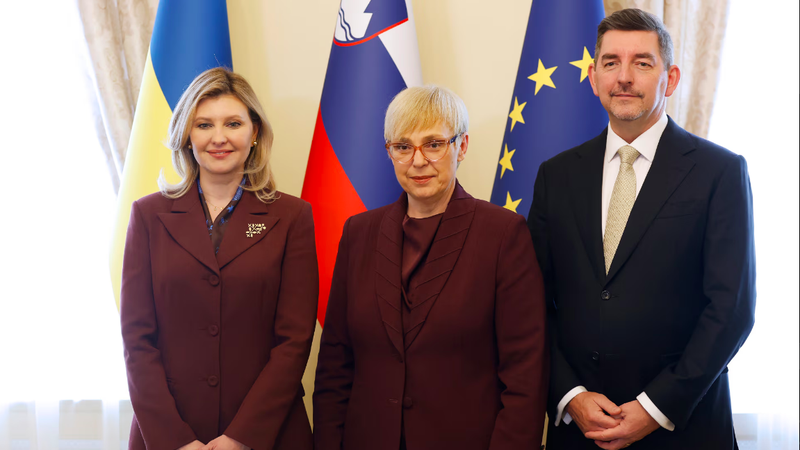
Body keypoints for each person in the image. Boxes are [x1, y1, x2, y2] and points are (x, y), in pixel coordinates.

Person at [527, 8, 755, 450]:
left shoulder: (719, 172)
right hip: (580, 430)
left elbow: (731, 310)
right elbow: (532, 303)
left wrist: (656, 407)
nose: (624, 77)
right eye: (611, 62)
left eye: (642, 62)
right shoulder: (555, 176)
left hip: (682, 428)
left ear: (669, 79)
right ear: (594, 79)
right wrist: (569, 395)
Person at [313, 85, 548, 450]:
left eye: (434, 144)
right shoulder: (359, 233)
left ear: (462, 146)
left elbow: (525, 376)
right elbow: (334, 368)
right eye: (403, 146)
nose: (418, 161)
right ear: (389, 152)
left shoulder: (503, 234)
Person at [120, 67, 318, 450]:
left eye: (233, 123)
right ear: (186, 135)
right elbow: (137, 341)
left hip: (267, 433)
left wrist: (240, 438)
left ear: (254, 132)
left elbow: (294, 341)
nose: (219, 138)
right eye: (204, 125)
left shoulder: (293, 217)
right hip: (169, 433)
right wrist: (176, 440)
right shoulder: (147, 216)